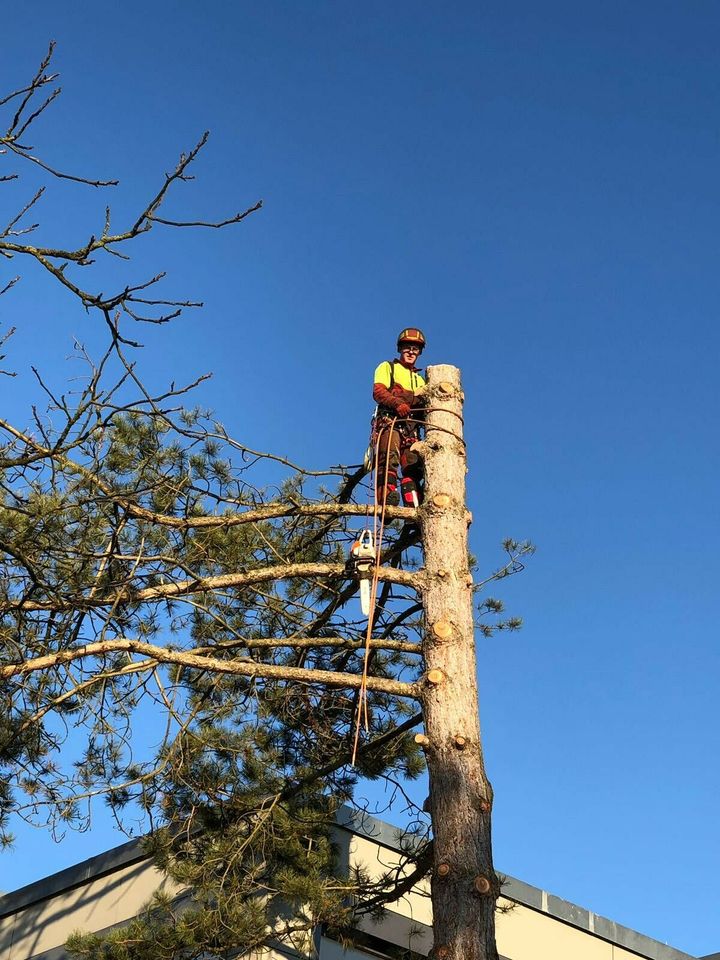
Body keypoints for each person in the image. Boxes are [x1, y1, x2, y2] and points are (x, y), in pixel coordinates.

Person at [371, 328, 427, 507]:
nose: (411, 351)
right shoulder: (388, 367)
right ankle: (386, 500)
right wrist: (397, 403)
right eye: (407, 347)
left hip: (411, 428)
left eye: (415, 349)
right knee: (389, 457)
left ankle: (414, 506)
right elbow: (379, 391)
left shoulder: (421, 380)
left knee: (413, 466)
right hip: (390, 421)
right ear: (400, 348)